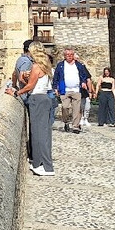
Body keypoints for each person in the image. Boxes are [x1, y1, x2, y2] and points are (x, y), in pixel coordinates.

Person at [14, 41, 55, 176]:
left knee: (39, 134)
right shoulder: (45, 66)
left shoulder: (36, 66)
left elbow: (30, 86)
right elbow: (37, 83)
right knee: (41, 133)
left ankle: (45, 166)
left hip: (37, 100)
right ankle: (39, 163)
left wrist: (16, 92)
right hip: (43, 99)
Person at [52, 48, 92, 133]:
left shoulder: (79, 65)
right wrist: (55, 87)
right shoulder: (60, 65)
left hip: (76, 90)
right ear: (64, 56)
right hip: (65, 90)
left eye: (71, 55)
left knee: (76, 109)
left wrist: (83, 82)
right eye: (67, 55)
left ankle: (75, 126)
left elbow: (83, 75)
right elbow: (56, 77)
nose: (69, 56)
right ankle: (66, 122)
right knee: (65, 107)